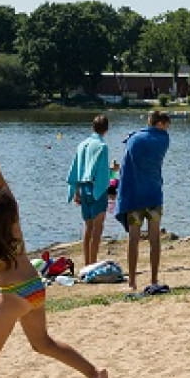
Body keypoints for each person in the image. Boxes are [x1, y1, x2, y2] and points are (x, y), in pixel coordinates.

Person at [0, 113, 110, 378]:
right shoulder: (11, 216)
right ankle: (96, 375)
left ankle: (96, 375)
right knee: (42, 343)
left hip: (13, 294)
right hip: (35, 287)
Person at [114, 110, 171, 292]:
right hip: (154, 195)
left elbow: (127, 160)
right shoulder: (163, 140)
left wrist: (134, 135)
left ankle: (131, 282)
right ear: (160, 123)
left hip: (134, 197)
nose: (167, 129)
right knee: (154, 239)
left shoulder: (135, 138)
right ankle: (153, 278)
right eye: (167, 124)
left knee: (133, 239)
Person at [67, 114, 111, 268]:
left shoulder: (82, 145)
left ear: (92, 127)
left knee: (88, 226)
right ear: (106, 129)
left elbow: (76, 169)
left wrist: (76, 191)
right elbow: (102, 173)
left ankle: (86, 263)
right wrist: (113, 173)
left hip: (83, 187)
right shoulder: (102, 146)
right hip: (96, 188)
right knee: (98, 226)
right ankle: (93, 263)